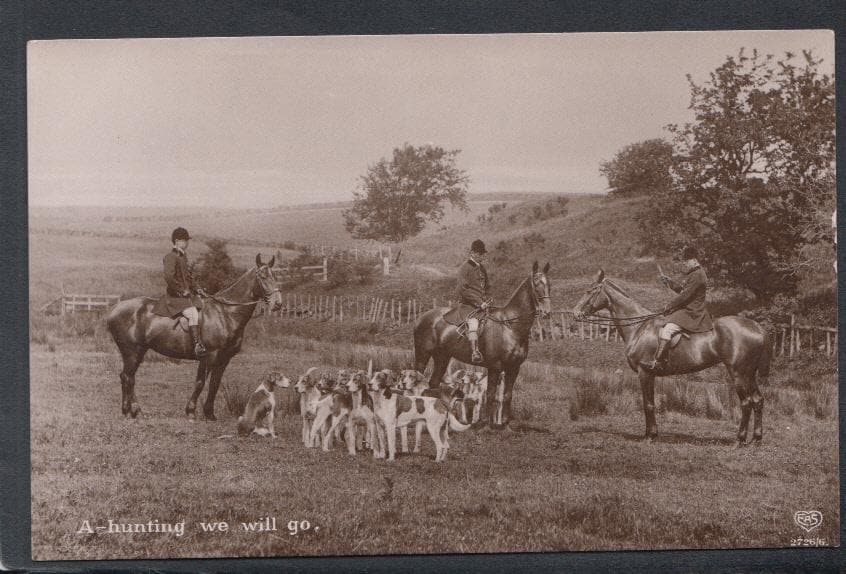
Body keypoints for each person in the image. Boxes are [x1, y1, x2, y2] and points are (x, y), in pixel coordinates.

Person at [640, 245, 713, 372]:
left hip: (693, 312)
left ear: (694, 260)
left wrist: (669, 306)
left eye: (686, 261)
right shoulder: (695, 273)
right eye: (684, 261)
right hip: (688, 309)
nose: (685, 264)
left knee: (668, 329)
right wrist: (670, 282)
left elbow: (685, 296)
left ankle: (658, 362)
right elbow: (683, 291)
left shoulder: (697, 275)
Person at [155, 227, 208, 357]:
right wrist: (181, 290)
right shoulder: (170, 257)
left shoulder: (183, 257)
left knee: (205, 307)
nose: (187, 243)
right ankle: (197, 345)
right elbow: (169, 277)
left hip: (186, 296)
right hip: (175, 297)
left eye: (187, 241)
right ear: (177, 241)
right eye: (185, 241)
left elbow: (189, 278)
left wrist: (198, 289)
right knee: (193, 314)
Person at [456, 239, 491, 364]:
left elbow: (487, 286)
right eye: (479, 254)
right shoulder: (464, 268)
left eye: (483, 254)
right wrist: (479, 302)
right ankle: (475, 352)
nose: (482, 256)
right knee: (473, 324)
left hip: (482, 305)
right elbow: (463, 290)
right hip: (468, 305)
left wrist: (488, 299)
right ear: (472, 253)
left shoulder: (482, 268)